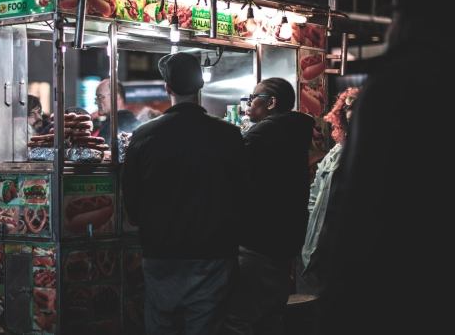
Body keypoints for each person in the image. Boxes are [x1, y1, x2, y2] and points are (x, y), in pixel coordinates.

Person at [318, 0, 455, 335]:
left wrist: (339, 298)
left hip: (395, 281)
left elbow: (362, 199)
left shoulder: (397, 84)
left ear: (413, 22)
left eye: (397, 17)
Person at [122, 52, 248, 335]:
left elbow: (131, 197)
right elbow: (242, 192)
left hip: (161, 251)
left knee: (162, 324)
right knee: (206, 325)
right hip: (213, 252)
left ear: (167, 87)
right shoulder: (229, 135)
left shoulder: (144, 135)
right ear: (200, 85)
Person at [220, 77, 314, 335]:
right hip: (285, 240)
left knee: (239, 317)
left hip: (257, 239)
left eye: (253, 99)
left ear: (271, 102)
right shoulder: (295, 131)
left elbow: (234, 177)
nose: (249, 105)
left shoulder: (262, 134)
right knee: (271, 314)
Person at [300, 87, 359, 296]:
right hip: (319, 247)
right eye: (348, 109)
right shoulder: (335, 152)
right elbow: (314, 194)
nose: (352, 113)